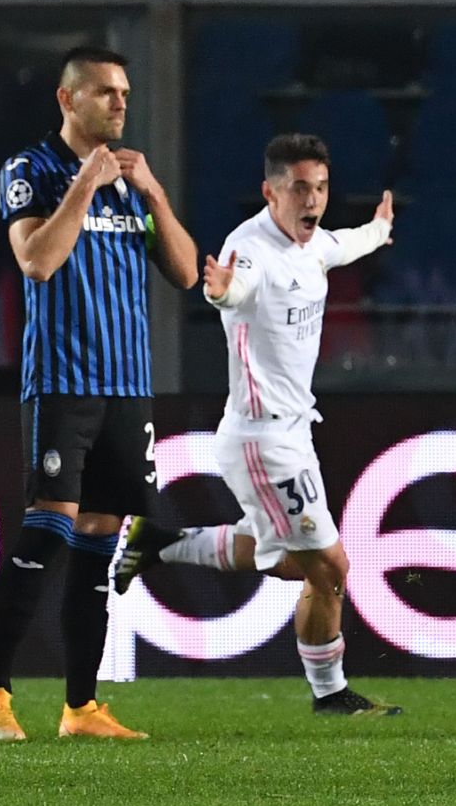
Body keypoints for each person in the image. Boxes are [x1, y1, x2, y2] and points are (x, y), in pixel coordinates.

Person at [114, 134, 401, 717]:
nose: (312, 199)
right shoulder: (250, 247)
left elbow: (339, 245)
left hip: (294, 432)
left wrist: (378, 230)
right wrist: (222, 292)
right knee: (330, 568)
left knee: (289, 561)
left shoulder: (311, 242)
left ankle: (162, 544)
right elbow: (236, 285)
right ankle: (331, 694)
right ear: (270, 192)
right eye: (300, 188)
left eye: (320, 187)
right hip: (261, 439)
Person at [0, 45, 198, 741]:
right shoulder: (30, 170)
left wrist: (154, 193)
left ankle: (80, 707)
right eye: (105, 92)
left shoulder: (133, 183)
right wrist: (83, 187)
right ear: (68, 101)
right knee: (49, 526)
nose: (121, 103)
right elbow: (36, 260)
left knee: (100, 537)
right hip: (64, 383)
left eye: (124, 92)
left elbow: (187, 273)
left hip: (128, 385)